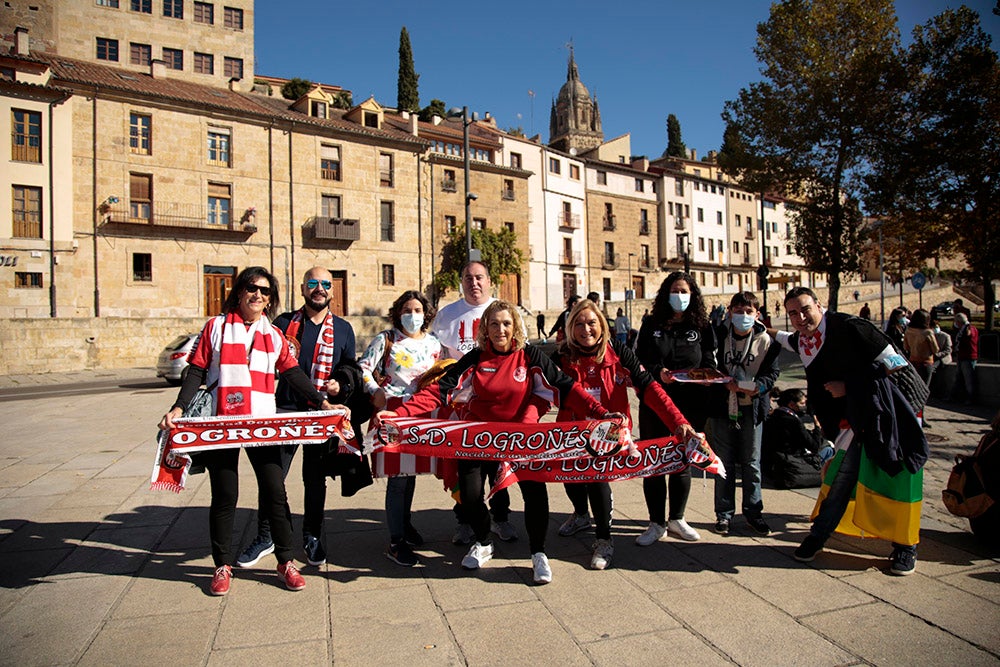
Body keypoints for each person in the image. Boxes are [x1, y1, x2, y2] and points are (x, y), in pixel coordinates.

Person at [375, 300, 611, 585]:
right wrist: (399, 414)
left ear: (515, 328)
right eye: (495, 323)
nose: (501, 329)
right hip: (479, 439)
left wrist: (601, 413)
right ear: (485, 327)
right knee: (471, 495)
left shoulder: (530, 355)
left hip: (521, 438)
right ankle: (484, 541)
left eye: (507, 323)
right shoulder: (475, 358)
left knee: (534, 493)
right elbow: (439, 390)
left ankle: (538, 554)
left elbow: (566, 387)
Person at [158, 266, 336, 596]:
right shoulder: (216, 327)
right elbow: (197, 370)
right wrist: (179, 407)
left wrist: (320, 401)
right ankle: (222, 565)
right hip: (222, 423)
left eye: (265, 291)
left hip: (260, 424)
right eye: (252, 288)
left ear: (271, 300)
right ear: (239, 292)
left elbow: (293, 373)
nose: (258, 295)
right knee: (225, 495)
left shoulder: (273, 334)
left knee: (274, 491)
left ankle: (285, 561)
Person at [774, 287, 927, 576]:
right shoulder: (804, 340)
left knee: (896, 479)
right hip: (853, 421)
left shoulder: (851, 327)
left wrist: (850, 386)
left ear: (819, 305)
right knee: (840, 478)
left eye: (805, 308)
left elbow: (896, 363)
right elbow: (785, 339)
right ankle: (818, 536)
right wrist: (762, 326)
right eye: (793, 312)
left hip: (890, 414)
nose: (800, 317)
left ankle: (906, 547)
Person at [552, 299, 696, 569]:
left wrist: (678, 421)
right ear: (571, 328)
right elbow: (536, 391)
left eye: (592, 322)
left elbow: (650, 389)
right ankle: (581, 515)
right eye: (579, 324)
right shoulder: (560, 356)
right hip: (571, 430)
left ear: (602, 325)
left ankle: (604, 541)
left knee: (596, 480)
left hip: (608, 432)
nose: (586, 329)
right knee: (570, 478)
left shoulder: (618, 352)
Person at [236, 266, 360, 570]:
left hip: (321, 414)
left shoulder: (343, 328)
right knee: (273, 478)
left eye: (325, 284)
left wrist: (340, 383)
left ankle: (312, 534)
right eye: (313, 283)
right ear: (303, 289)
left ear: (332, 290)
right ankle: (267, 535)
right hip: (285, 411)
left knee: (315, 480)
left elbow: (351, 367)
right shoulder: (282, 323)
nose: (320, 289)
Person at [431, 261, 517, 543]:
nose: (474, 283)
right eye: (468, 278)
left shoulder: (502, 309)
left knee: (498, 466)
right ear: (461, 282)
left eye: (479, 277)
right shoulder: (446, 315)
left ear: (489, 280)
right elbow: (435, 355)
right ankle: (465, 521)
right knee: (463, 469)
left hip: (496, 404)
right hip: (459, 408)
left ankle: (501, 517)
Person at [358, 290, 442, 566]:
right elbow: (363, 368)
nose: (413, 315)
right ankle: (396, 541)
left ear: (426, 314)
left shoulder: (433, 344)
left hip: (421, 411)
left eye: (418, 310)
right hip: (392, 410)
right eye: (407, 310)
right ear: (398, 313)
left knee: (412, 472)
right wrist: (374, 390)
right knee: (397, 477)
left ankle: (405, 524)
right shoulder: (387, 339)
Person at [634, 271, 718, 545]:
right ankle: (656, 523)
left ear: (692, 295)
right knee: (655, 462)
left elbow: (709, 358)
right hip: (655, 401)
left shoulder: (703, 326)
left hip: (690, 404)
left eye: (684, 291)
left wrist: (707, 375)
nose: (679, 296)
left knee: (682, 461)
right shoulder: (651, 324)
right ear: (665, 294)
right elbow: (640, 361)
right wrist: (660, 373)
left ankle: (677, 518)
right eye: (675, 291)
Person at [706, 292, 781, 536]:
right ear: (729, 311)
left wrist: (757, 387)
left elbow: (771, 374)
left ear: (757, 314)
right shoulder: (718, 336)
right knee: (723, 462)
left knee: (752, 463)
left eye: (749, 312)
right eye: (738, 311)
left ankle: (753, 513)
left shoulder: (767, 341)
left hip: (751, 408)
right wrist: (718, 380)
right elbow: (707, 364)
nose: (743, 316)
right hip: (722, 407)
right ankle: (724, 514)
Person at [762, 388, 834, 489]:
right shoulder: (794, 421)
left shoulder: (772, 417)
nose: (804, 406)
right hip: (792, 462)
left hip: (773, 462)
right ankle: (824, 475)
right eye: (802, 403)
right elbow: (814, 446)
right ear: (791, 404)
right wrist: (817, 428)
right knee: (829, 449)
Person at [904, 308, 939, 394]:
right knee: (924, 389)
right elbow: (935, 349)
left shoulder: (908, 331)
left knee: (914, 388)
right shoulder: (928, 332)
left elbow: (906, 347)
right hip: (926, 362)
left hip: (913, 360)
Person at [950, 312, 979, 404]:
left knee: (969, 380)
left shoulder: (969, 328)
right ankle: (956, 396)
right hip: (961, 356)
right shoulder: (962, 329)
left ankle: (971, 398)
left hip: (968, 357)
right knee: (959, 378)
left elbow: (969, 337)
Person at [929, 317, 952, 398]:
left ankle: (943, 393)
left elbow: (948, 350)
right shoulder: (930, 336)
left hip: (942, 358)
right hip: (933, 358)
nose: (935, 329)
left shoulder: (945, 336)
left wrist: (938, 355)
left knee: (937, 373)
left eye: (936, 327)